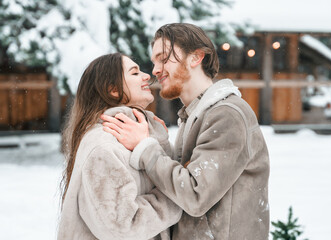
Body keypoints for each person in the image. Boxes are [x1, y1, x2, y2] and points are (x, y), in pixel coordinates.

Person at [101, 23, 270, 239]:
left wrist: (146, 148)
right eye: (154, 62)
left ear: (196, 57)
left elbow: (195, 195)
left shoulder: (227, 114)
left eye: (163, 58)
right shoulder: (196, 114)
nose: (154, 70)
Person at [57, 53, 182, 240]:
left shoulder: (135, 139)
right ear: (113, 90)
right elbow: (122, 226)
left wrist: (156, 143)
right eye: (134, 73)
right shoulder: (103, 146)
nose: (147, 76)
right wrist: (177, 195)